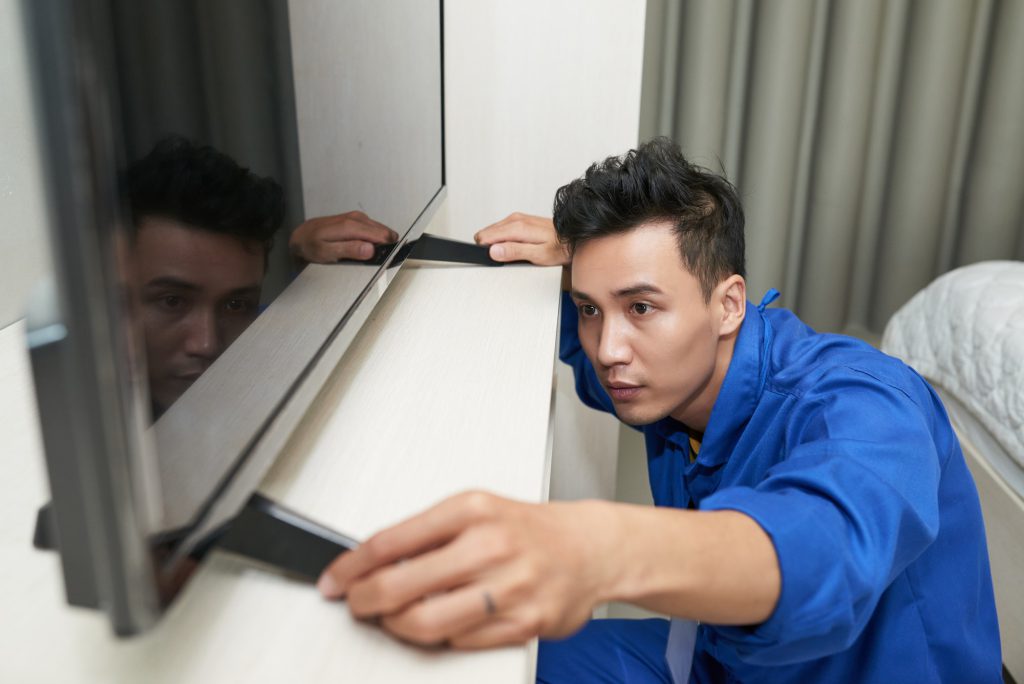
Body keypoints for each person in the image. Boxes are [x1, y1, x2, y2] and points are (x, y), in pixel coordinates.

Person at [315, 138, 1001, 682]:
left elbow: (824, 545)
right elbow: (588, 322)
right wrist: (345, 261)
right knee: (478, 661)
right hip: (714, 659)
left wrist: (599, 548)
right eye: (590, 308)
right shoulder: (663, 372)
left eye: (641, 306)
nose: (609, 348)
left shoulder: (867, 401)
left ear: (728, 303)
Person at [126, 136, 396, 417]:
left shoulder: (254, 345)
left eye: (235, 304)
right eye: (172, 302)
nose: (206, 344)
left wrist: (312, 277)